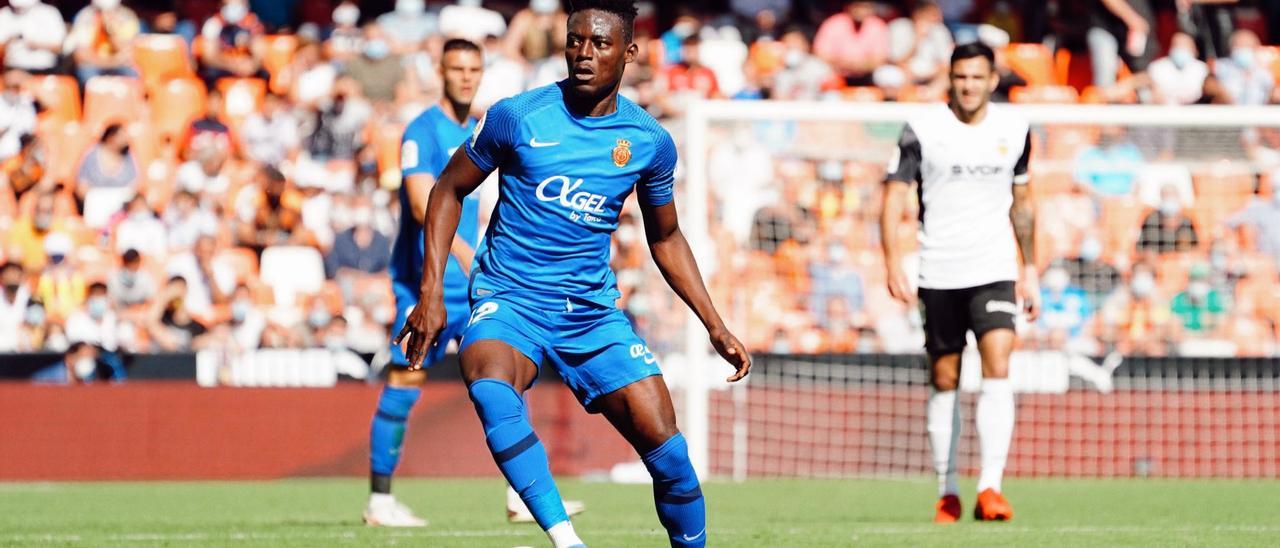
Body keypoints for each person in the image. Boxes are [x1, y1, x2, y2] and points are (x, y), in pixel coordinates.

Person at [397, 2, 751, 546]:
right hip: (509, 300)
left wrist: (715, 324)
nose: (584, 54)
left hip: (590, 313)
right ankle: (567, 540)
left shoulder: (648, 141)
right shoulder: (518, 116)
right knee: (492, 390)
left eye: (600, 43)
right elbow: (447, 189)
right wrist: (431, 292)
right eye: (575, 41)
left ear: (628, 52)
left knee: (671, 454)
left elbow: (665, 236)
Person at [364, 37, 583, 528]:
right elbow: (426, 202)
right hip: (428, 283)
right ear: (440, 72)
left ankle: (520, 495)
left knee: (505, 375)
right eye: (457, 68)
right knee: (406, 379)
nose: (466, 77)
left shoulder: (486, 126)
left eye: (474, 69)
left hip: (477, 284)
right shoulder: (421, 131)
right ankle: (379, 499)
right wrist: (468, 253)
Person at [881, 42, 1038, 523]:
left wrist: (1030, 268)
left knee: (998, 362)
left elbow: (1025, 201)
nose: (968, 85)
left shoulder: (1016, 128)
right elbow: (893, 198)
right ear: (950, 79)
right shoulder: (922, 129)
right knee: (945, 378)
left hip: (993, 270)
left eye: (976, 77)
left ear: (993, 79)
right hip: (939, 271)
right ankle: (947, 488)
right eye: (960, 77)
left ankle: (991, 487)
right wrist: (892, 260)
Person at [68, 0, 142, 84]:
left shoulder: (127, 16)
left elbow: (130, 53)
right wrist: (108, 62)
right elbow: (80, 55)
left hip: (120, 65)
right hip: (94, 65)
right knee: (87, 74)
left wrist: (109, 30)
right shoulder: (84, 17)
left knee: (132, 74)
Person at [0, 0, 68, 75]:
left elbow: (60, 47)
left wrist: (35, 45)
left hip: (46, 70)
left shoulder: (50, 13)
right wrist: (10, 41)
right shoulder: (4, 14)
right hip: (14, 69)